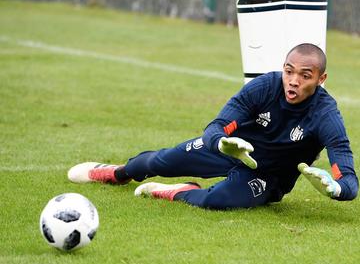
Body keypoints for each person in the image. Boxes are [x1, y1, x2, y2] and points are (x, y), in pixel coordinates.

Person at [68, 43, 358, 210]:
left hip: (269, 177)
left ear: (321, 79)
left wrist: (335, 189)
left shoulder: (326, 115)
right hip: (229, 151)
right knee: (161, 160)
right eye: (289, 71)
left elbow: (348, 180)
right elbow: (217, 125)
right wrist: (222, 142)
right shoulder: (264, 87)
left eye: (305, 75)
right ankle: (115, 173)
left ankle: (177, 191)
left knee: (216, 201)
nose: (293, 80)